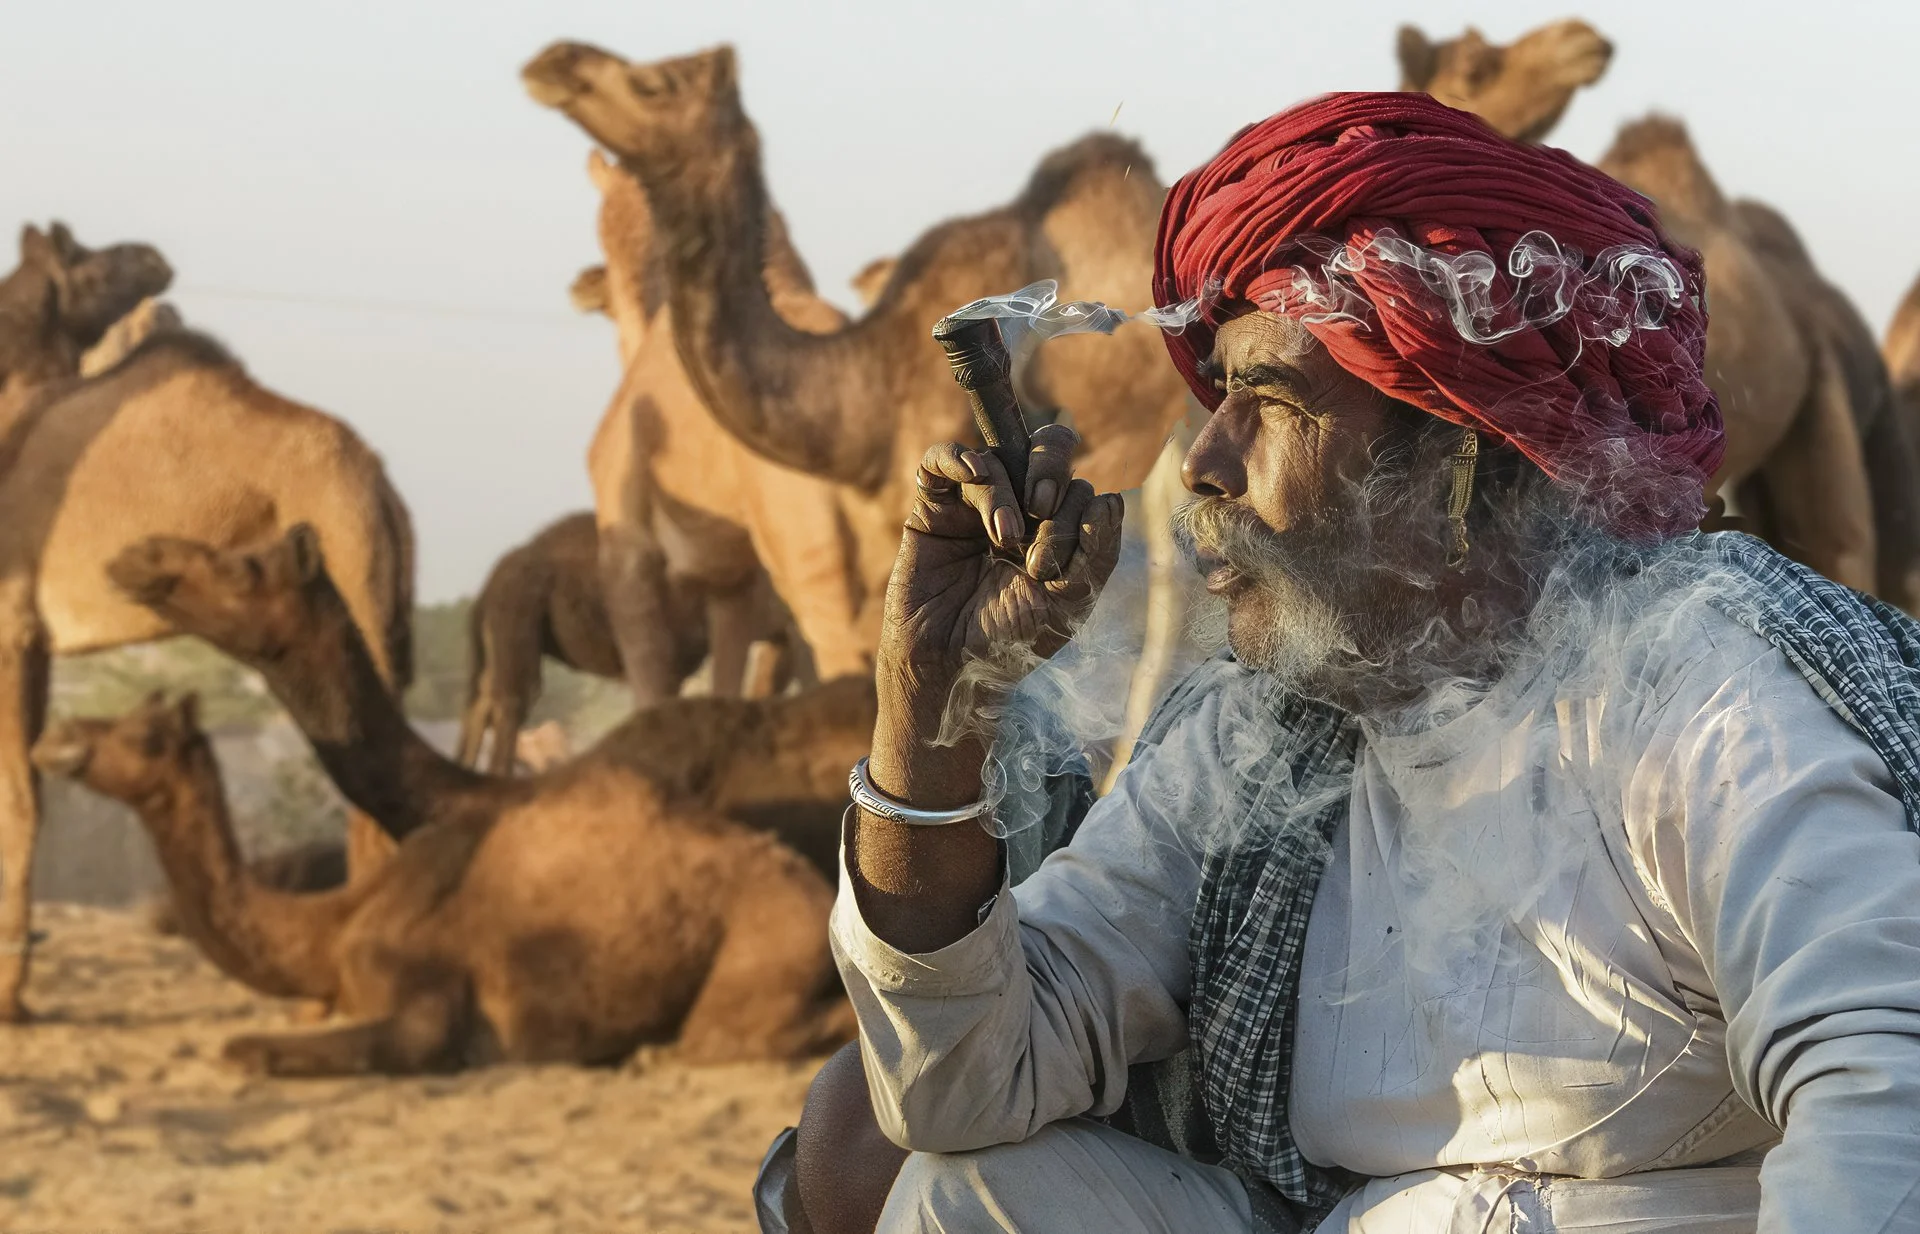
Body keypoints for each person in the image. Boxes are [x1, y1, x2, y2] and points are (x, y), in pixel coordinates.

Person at [788, 92, 1920, 1233]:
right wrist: (932, 710)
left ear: (1460, 456)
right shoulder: (1262, 741)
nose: (1203, 464)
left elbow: (1882, 1077)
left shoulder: (1692, 692)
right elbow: (960, 1083)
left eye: (1269, 403)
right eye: (1216, 400)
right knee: (956, 1183)